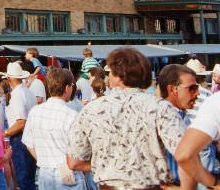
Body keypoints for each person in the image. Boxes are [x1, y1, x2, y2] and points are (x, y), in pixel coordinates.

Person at [68, 47, 184, 188]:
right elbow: (185, 152)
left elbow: (74, 161)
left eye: (110, 72)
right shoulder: (160, 107)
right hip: (153, 185)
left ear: (117, 76)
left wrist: (108, 166)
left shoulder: (91, 110)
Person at [20, 68, 85, 190]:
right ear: (67, 88)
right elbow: (81, 150)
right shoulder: (71, 115)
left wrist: (44, 160)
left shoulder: (35, 112)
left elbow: (28, 143)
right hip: (68, 172)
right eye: (72, 85)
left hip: (45, 173)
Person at [2, 60, 37, 190]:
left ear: (9, 78)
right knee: (28, 176)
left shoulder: (17, 94)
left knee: (23, 178)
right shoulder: (27, 91)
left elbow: (21, 122)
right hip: (28, 137)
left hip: (20, 138)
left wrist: (5, 133)